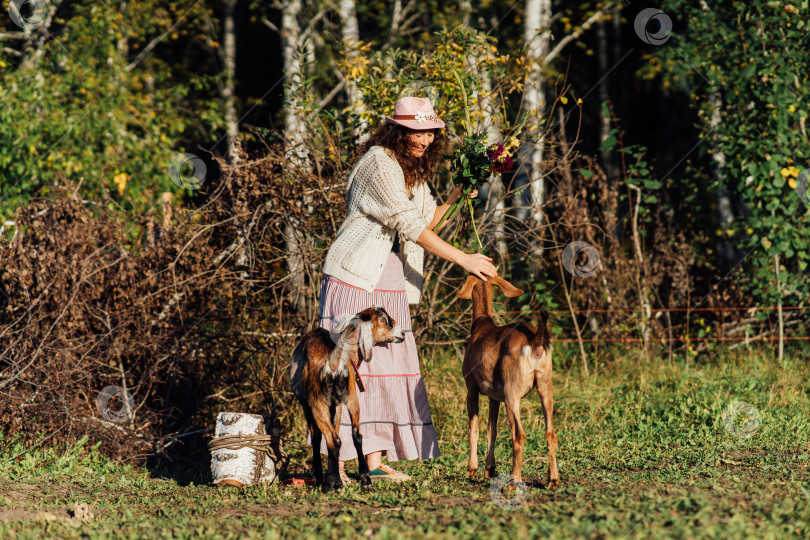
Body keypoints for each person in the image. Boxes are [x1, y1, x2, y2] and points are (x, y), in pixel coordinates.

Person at [316, 96, 498, 483]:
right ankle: (338, 465)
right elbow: (407, 226)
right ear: (398, 130)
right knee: (346, 368)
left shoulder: (410, 171)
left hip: (389, 279)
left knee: (385, 370)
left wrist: (456, 194)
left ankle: (375, 463)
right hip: (355, 275)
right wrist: (464, 260)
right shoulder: (379, 163)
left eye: (430, 131)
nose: (424, 138)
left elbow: (426, 221)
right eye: (416, 131)